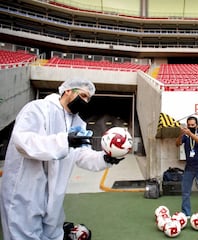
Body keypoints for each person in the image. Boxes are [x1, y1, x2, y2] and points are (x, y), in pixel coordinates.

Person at [0, 78, 125, 240]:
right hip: (24, 193)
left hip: (54, 199)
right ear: (68, 91)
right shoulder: (38, 109)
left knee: (53, 235)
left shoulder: (78, 125)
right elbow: (23, 142)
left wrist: (106, 159)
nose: (85, 101)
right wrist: (64, 141)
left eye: (88, 98)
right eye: (83, 95)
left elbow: (83, 155)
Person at [175, 116, 198, 225]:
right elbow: (177, 144)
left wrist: (190, 134)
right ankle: (186, 213)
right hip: (189, 167)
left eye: (192, 125)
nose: (190, 127)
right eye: (188, 125)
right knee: (186, 192)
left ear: (197, 125)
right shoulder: (186, 134)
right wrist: (181, 133)